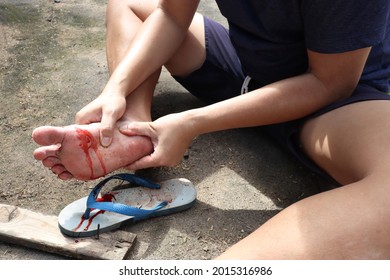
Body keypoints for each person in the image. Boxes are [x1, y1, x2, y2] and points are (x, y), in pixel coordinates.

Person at [32, 0, 390, 259]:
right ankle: (135, 130)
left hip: (340, 104)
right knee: (130, 3)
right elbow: (172, 15)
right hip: (248, 69)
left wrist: (194, 122)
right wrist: (117, 89)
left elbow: (332, 83)